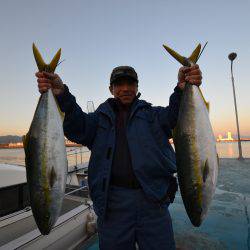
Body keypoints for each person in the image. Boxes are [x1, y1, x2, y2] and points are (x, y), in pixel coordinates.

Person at [36, 64, 202, 250]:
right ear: (111, 89)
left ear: (137, 87)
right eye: (119, 84)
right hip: (113, 204)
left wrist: (181, 89)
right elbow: (77, 125)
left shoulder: (153, 115)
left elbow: (176, 115)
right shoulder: (98, 119)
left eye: (130, 83)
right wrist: (61, 94)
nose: (125, 88)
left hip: (153, 200)